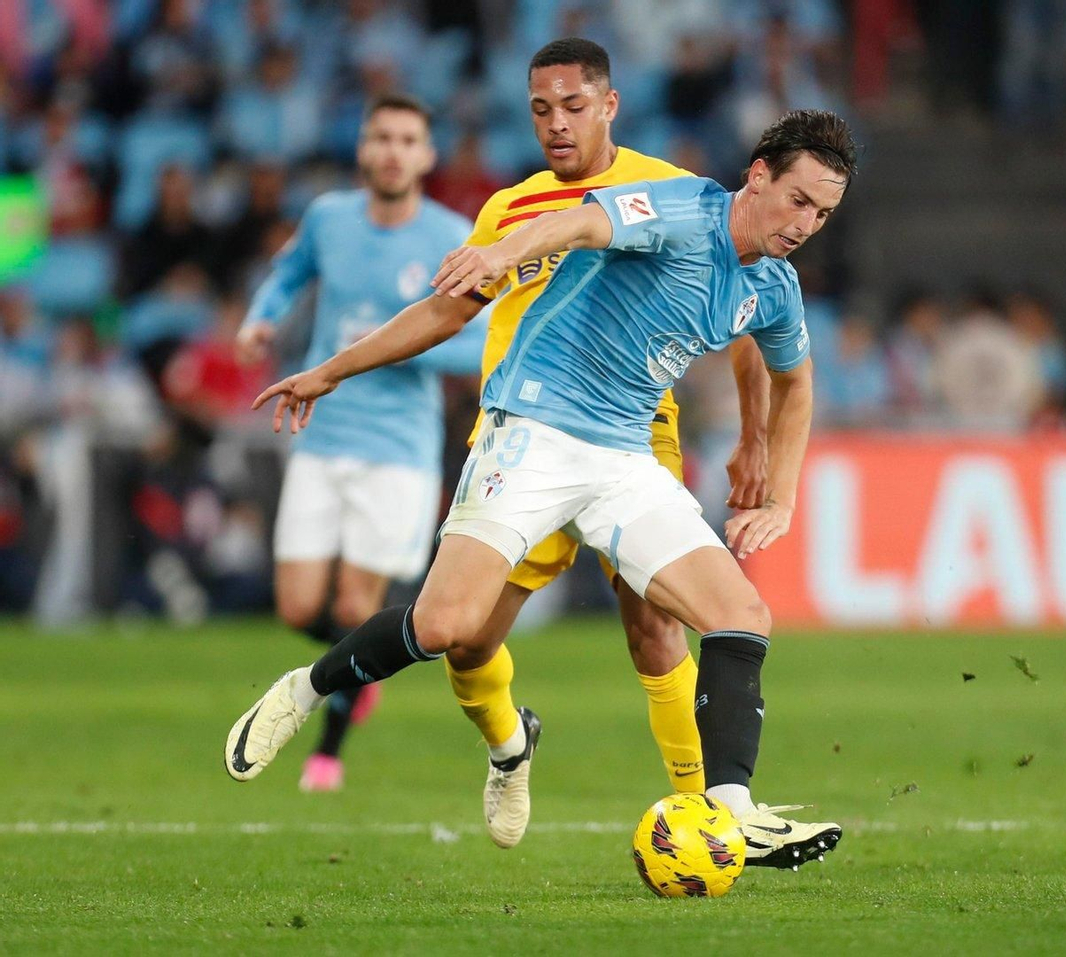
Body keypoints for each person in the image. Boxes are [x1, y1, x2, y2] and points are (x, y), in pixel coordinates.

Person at [225, 108, 859, 870]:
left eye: (823, 213)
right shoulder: (684, 210)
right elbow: (581, 225)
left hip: (624, 456)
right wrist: (499, 253)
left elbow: (795, 378)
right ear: (759, 174)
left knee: (740, 613)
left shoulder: (775, 287)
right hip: (534, 431)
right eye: (799, 201)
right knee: (446, 626)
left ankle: (733, 810)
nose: (807, 223)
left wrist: (781, 494)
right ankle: (306, 687)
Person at [442, 37, 774, 847]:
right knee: (467, 637)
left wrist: (753, 434)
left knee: (655, 626)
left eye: (574, 106)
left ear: (610, 104)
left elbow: (744, 314)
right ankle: (509, 745)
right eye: (541, 111)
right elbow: (455, 312)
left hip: (634, 439)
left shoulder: (671, 190)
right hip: (524, 442)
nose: (557, 125)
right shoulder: (506, 210)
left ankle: (706, 817)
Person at [233, 94, 486, 793]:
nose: (394, 151)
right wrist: (262, 319)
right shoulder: (328, 218)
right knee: (295, 605)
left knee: (353, 607)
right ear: (363, 149)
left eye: (409, 138)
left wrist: (403, 349)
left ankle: (328, 751)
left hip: (397, 446)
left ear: (427, 155)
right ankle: (360, 671)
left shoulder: (453, 237)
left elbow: (485, 344)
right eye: (382, 137)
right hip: (322, 433)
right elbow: (288, 273)